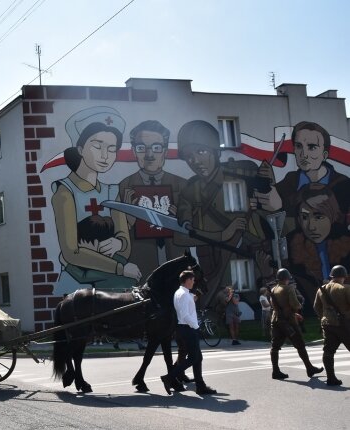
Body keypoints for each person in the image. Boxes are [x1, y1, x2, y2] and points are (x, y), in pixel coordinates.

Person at [174, 120, 269, 300]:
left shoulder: (241, 173)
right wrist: (222, 235)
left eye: (201, 151)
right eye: (188, 156)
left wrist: (265, 181)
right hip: (211, 259)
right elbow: (182, 229)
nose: (195, 161)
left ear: (216, 151)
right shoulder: (191, 189)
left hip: (247, 250)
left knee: (250, 293)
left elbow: (265, 190)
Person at [51, 108, 140, 293]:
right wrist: (121, 269)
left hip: (113, 284)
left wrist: (119, 243)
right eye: (98, 146)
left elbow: (125, 245)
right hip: (78, 286)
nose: (105, 156)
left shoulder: (112, 191)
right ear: (81, 149)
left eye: (112, 149)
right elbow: (72, 253)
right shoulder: (65, 192)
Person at [119, 120, 186, 277]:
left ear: (165, 151)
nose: (149, 155)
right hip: (142, 259)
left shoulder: (182, 185)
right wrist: (127, 220)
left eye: (156, 148)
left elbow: (196, 227)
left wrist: (182, 221)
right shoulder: (125, 185)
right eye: (142, 148)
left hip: (176, 259)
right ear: (134, 151)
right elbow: (119, 230)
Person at [160, 270, 217, 396]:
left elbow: (187, 304)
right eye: (192, 279)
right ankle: (169, 377)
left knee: (198, 357)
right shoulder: (184, 295)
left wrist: (195, 297)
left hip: (183, 329)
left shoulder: (180, 293)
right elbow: (185, 314)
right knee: (193, 358)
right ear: (187, 280)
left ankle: (200, 386)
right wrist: (196, 326)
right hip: (188, 329)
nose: (194, 281)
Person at [269, 268, 323, 380]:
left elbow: (275, 306)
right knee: (300, 345)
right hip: (288, 322)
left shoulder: (273, 289)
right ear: (287, 278)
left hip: (276, 320)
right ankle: (309, 368)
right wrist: (299, 306)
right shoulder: (289, 288)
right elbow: (295, 304)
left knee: (275, 346)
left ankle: (275, 371)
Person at [313, 265, 350, 386]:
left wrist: (323, 316)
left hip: (327, 324)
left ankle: (331, 378)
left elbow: (316, 307)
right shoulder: (345, 288)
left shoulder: (321, 289)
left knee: (328, 352)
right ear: (344, 276)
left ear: (332, 276)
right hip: (344, 325)